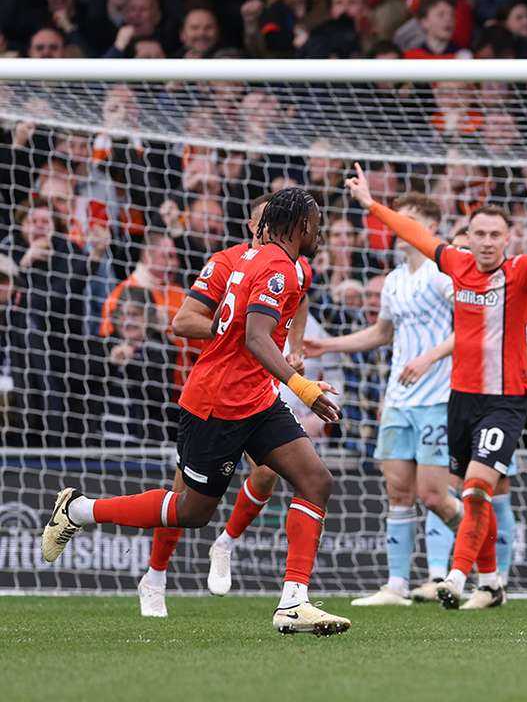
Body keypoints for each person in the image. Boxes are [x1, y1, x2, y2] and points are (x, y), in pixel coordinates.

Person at [41, 189, 349, 636]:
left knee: (316, 479)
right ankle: (81, 510)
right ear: (300, 226)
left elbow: (266, 330)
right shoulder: (274, 268)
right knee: (192, 510)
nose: (320, 231)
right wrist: (300, 384)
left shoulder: (266, 264)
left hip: (256, 398)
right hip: (217, 404)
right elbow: (256, 338)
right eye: (317, 223)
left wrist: (291, 363)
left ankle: (293, 602)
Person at [344, 163, 527, 610]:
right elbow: (415, 232)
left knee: (476, 489)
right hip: (459, 400)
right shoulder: (456, 265)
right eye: (478, 234)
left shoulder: (522, 272)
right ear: (469, 235)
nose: (485, 242)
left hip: (505, 402)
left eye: (493, 235)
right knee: (470, 493)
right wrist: (371, 205)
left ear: (508, 239)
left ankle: (457, 575)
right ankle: (491, 583)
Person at [135, 193, 311, 617]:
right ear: (255, 227)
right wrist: (230, 326)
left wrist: (296, 346)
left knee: (271, 472)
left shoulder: (294, 268)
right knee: (185, 497)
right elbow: (181, 322)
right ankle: (155, 576)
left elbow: (300, 300)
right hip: (217, 393)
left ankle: (225, 543)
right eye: (259, 225)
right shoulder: (225, 262)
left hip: (261, 390)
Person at [305, 192, 464, 607]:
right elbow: (381, 333)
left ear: (428, 227)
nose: (396, 226)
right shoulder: (394, 280)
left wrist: (429, 358)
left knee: (433, 495)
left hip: (436, 397)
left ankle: (477, 555)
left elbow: (469, 327)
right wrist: (329, 347)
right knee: (398, 492)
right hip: (398, 399)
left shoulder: (441, 274)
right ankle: (396, 586)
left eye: (406, 219)